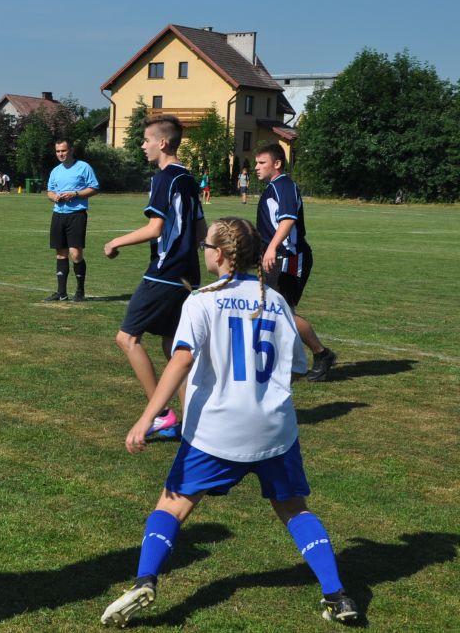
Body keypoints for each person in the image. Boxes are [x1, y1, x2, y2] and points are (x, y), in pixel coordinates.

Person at [100, 217, 359, 628]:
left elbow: (181, 360)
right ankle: (337, 595)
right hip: (275, 428)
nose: (203, 250)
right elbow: (296, 368)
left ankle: (145, 580)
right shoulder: (277, 302)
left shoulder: (201, 300)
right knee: (294, 509)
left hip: (216, 429)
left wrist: (147, 417)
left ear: (219, 254)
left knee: (172, 504)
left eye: (206, 245)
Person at [104, 115, 205, 441]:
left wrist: (116, 242)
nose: (142, 145)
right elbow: (201, 231)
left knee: (127, 338)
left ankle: (161, 415)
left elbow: (155, 228)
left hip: (164, 275)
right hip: (188, 276)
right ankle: (192, 424)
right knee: (173, 348)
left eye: (146, 140)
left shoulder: (164, 178)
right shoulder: (188, 179)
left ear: (162, 143)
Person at [254, 143, 336, 381]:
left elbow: (288, 220)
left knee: (282, 311)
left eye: (262, 163)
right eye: (256, 163)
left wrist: (271, 248)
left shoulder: (284, 186)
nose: (257, 167)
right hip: (277, 256)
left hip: (289, 257)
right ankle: (291, 363)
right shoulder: (273, 187)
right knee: (275, 310)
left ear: (277, 164)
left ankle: (321, 354)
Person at [44, 138, 100, 302]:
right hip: (58, 214)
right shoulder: (55, 171)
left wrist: (75, 194)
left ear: (71, 150)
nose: (60, 154)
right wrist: (54, 197)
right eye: (58, 151)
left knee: (75, 254)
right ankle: (61, 293)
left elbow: (94, 188)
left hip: (76, 214)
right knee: (60, 254)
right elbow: (49, 191)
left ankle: (80, 291)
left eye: (64, 150)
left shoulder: (83, 167)